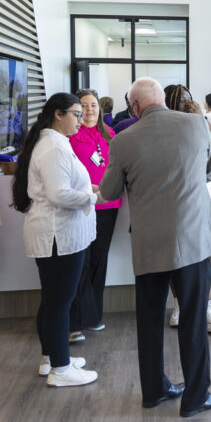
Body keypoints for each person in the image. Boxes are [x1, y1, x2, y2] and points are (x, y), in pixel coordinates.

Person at [100, 78, 211, 417]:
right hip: (193, 240)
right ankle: (195, 396)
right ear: (163, 100)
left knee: (150, 319)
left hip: (148, 243)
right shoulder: (196, 125)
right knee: (193, 318)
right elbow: (210, 174)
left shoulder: (122, 140)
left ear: (135, 107)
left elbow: (109, 192)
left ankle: (154, 390)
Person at [11, 92, 99, 387]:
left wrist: (87, 187)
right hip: (57, 235)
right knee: (60, 302)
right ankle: (61, 369)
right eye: (76, 113)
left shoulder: (54, 143)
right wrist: (92, 196)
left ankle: (51, 356)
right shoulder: (54, 147)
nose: (81, 117)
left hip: (57, 233)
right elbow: (58, 195)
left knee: (53, 300)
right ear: (58, 115)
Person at [165, 84, 211, 334]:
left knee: (209, 251)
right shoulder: (165, 125)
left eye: (188, 98)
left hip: (205, 192)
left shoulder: (198, 121)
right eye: (179, 99)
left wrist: (200, 118)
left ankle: (208, 307)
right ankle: (179, 304)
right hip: (175, 195)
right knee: (175, 253)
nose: (184, 102)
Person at [67, 89, 121, 343]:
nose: (89, 111)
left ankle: (94, 315)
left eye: (93, 106)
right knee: (82, 263)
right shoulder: (69, 136)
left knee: (100, 260)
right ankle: (75, 319)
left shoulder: (109, 134)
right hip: (82, 206)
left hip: (109, 205)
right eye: (84, 106)